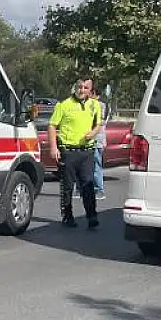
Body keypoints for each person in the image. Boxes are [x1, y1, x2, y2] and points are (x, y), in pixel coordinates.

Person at [47, 76, 103, 229]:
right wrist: (53, 147)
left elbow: (98, 124)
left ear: (90, 90)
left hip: (87, 152)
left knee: (88, 184)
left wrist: (94, 132)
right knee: (67, 186)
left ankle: (92, 216)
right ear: (75, 87)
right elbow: (52, 125)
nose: (82, 90)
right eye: (79, 87)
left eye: (85, 88)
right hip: (69, 151)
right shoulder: (64, 105)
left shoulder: (94, 105)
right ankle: (67, 215)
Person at [91, 87, 108, 200]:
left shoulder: (100, 105)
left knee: (97, 165)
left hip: (97, 139)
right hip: (90, 139)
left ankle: (99, 190)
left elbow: (100, 121)